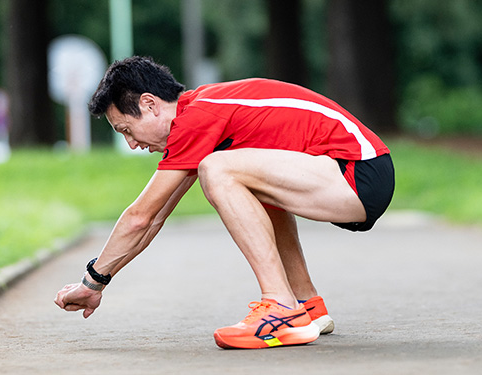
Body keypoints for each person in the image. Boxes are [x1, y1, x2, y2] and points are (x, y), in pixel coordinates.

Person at [54, 56, 394, 349]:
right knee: (243, 180)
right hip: (353, 173)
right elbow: (153, 219)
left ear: (150, 104)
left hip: (357, 174)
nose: (131, 144)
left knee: (217, 168)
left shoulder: (197, 118)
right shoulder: (200, 116)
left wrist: (90, 282)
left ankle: (281, 308)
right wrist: (98, 282)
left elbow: (140, 217)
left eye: (127, 130)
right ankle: (306, 306)